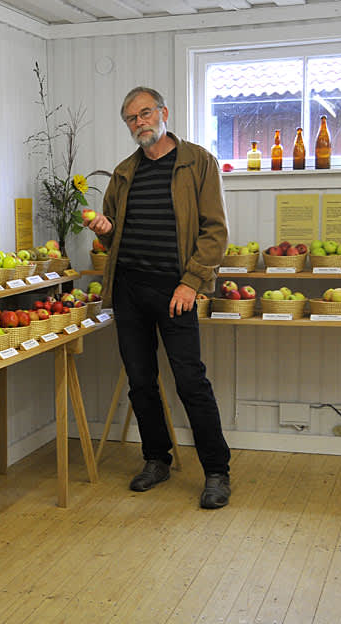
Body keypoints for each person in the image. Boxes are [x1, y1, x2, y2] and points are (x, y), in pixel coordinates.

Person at [85, 86, 231, 509]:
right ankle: (156, 459)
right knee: (141, 381)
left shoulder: (197, 162)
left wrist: (192, 282)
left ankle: (217, 471)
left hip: (176, 291)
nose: (139, 123)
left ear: (163, 113)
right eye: (131, 118)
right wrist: (104, 229)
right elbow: (113, 230)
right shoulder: (123, 172)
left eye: (145, 113)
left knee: (190, 381)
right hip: (130, 288)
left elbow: (215, 231)